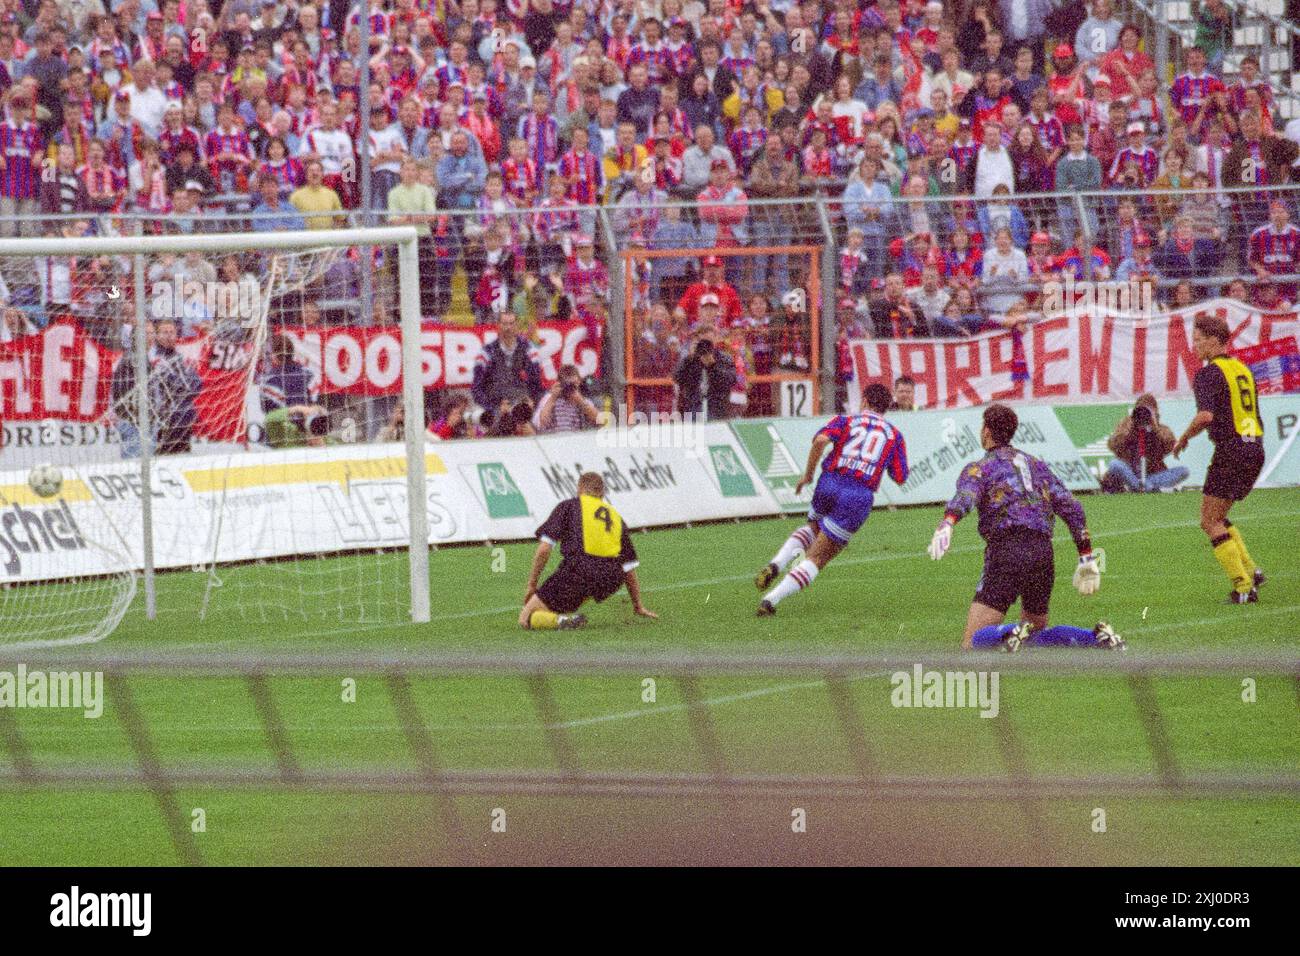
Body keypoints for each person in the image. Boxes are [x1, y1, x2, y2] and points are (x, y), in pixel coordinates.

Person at [926, 403, 1122, 652]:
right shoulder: (1036, 465)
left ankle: (1011, 631)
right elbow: (1072, 507)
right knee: (1036, 635)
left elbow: (967, 495)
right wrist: (1086, 556)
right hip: (1042, 552)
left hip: (1007, 552)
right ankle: (1095, 637)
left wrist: (948, 522)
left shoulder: (981, 467)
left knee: (972, 643)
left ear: (986, 431)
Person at [755, 383, 909, 616]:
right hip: (857, 495)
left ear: (864, 401)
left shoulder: (846, 421)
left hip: (829, 482)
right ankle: (771, 600)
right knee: (819, 556)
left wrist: (807, 475)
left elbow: (819, 441)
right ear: (886, 408)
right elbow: (900, 477)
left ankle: (777, 563)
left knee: (812, 528)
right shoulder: (894, 435)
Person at [1172, 314, 1268, 604]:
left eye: (1199, 339)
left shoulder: (1208, 373)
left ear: (1214, 341)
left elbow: (1206, 416)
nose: (1194, 345)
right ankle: (1252, 572)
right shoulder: (1242, 369)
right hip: (1255, 448)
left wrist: (1184, 437)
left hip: (1232, 450)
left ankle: (1243, 588)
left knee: (1209, 521)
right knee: (1220, 517)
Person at [520, 471, 657, 630]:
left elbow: (544, 549)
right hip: (611, 578)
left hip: (580, 572)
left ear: (579, 488)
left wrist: (532, 584)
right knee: (559, 602)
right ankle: (561, 615)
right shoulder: (615, 516)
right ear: (602, 493)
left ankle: (563, 622)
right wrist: (638, 605)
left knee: (526, 617)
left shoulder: (569, 506)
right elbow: (628, 567)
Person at [1101, 394, 1189, 493]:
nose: (1144, 415)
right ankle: (1143, 487)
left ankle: (1140, 486)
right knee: (1114, 464)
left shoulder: (1162, 429)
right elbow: (1112, 445)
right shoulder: (1126, 424)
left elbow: (1169, 447)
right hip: (1129, 470)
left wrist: (1155, 428)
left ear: (1155, 412)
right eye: (1141, 410)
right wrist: (1131, 428)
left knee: (1183, 471)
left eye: (1148, 411)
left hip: (1151, 474)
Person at [470, 312, 544, 416]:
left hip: (522, 405)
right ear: (498, 325)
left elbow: (536, 384)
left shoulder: (530, 350)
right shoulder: (486, 352)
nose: (508, 328)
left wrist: (532, 402)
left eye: (511, 323)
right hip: (496, 406)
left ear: (517, 325)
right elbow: (476, 388)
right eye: (504, 324)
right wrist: (491, 408)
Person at [533, 363, 601, 432]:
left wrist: (580, 402)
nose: (569, 388)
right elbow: (541, 424)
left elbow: (599, 421)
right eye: (566, 384)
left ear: (579, 382)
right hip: (554, 439)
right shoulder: (549, 398)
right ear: (559, 383)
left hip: (576, 438)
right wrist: (552, 398)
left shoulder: (582, 400)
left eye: (573, 384)